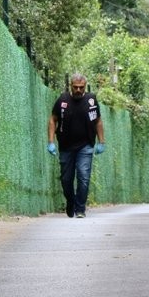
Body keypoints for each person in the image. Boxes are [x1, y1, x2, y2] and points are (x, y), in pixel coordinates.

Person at [47, 73, 105, 218]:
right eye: (75, 87)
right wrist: (51, 142)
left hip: (85, 146)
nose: (78, 90)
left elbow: (98, 121)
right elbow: (53, 120)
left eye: (81, 87)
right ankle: (71, 202)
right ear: (71, 86)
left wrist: (101, 142)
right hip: (66, 147)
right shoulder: (62, 100)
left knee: (83, 177)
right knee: (66, 180)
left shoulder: (91, 100)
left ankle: (80, 209)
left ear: (85, 86)